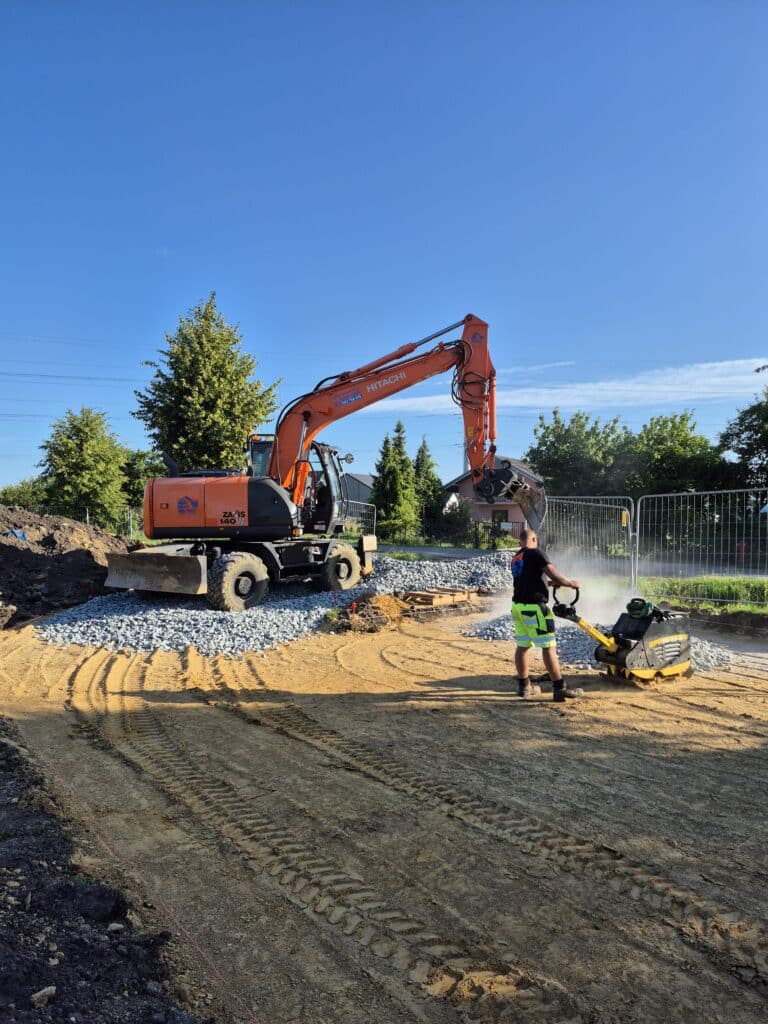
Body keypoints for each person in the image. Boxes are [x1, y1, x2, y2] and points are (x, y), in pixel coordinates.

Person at [510, 527, 583, 701]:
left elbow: (530, 580)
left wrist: (551, 584)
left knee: (523, 646)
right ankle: (559, 688)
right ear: (534, 540)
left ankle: (524, 686)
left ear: (521, 541)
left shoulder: (516, 557)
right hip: (535, 608)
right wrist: (570, 583)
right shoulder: (536, 553)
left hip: (518, 607)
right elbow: (552, 572)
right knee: (548, 647)